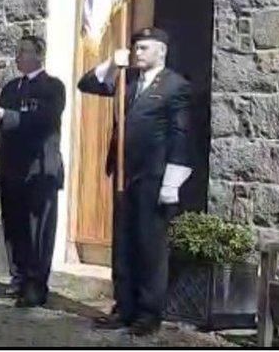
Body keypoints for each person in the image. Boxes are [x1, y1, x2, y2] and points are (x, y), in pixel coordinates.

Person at [77, 27, 192, 336]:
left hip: (154, 176)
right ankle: (124, 307)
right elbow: (87, 84)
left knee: (149, 246)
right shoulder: (127, 80)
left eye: (144, 48)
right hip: (124, 175)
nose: (137, 53)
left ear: (161, 52)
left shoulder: (174, 87)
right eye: (135, 48)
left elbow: (180, 137)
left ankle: (148, 313)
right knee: (123, 245)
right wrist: (112, 64)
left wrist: (172, 184)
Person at [0, 36, 65, 307]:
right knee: (14, 227)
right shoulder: (11, 87)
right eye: (16, 52)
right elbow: (1, 122)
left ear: (40, 55)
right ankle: (17, 278)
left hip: (39, 168)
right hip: (11, 166)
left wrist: (6, 117)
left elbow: (44, 121)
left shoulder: (52, 87)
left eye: (23, 52)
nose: (17, 57)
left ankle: (36, 284)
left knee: (38, 229)